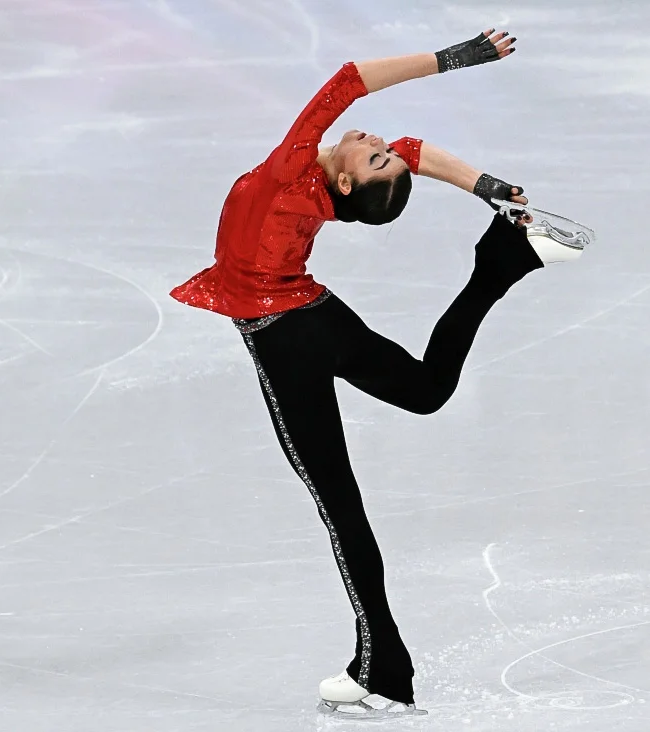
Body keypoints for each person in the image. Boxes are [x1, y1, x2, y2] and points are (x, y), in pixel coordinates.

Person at [170, 30, 559, 718]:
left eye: (374, 155)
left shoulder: (293, 168)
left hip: (286, 340)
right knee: (426, 390)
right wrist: (487, 187)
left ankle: (384, 673)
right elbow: (414, 153)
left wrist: (457, 57)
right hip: (318, 316)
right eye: (380, 152)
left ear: (345, 183)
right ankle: (500, 266)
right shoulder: (328, 183)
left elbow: (349, 81)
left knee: (339, 506)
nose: (378, 142)